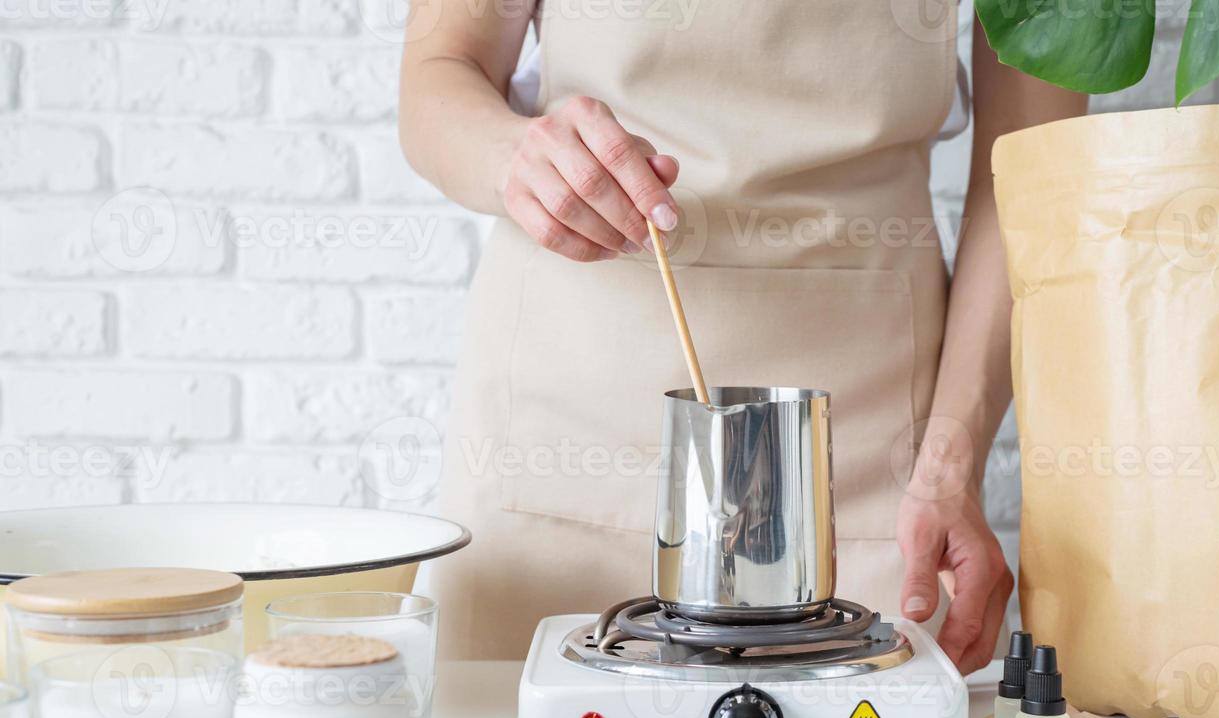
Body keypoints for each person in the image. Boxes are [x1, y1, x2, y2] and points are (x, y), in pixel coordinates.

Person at [399, 1, 1086, 670]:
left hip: (866, 459)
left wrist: (948, 463)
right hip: (567, 427)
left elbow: (1028, 171)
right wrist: (513, 157)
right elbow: (439, 70)